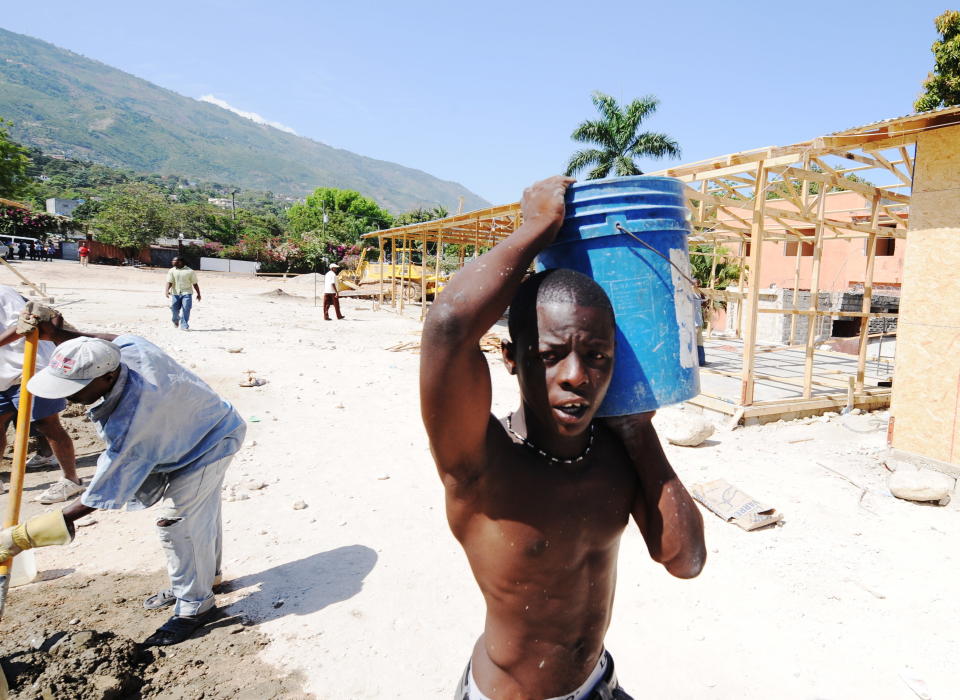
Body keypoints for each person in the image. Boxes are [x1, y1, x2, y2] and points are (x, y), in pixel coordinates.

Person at [420, 176, 706, 700]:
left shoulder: (615, 453)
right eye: (552, 356)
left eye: (597, 356)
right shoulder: (481, 463)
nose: (577, 375)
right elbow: (449, 325)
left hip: (599, 682)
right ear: (511, 358)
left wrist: (640, 433)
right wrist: (537, 228)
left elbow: (685, 561)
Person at [0, 305, 245, 646]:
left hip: (208, 443)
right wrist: (57, 334)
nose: (69, 397)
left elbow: (101, 492)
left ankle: (195, 606)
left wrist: (25, 536)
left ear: (107, 377)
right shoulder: (130, 352)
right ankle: (207, 578)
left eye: (76, 387)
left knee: (176, 524)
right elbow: (112, 341)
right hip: (195, 423)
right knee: (201, 516)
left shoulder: (135, 420)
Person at [0, 286, 83, 503]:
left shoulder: (3, 294)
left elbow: (27, 324)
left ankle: (71, 480)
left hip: (28, 369)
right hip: (1, 376)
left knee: (48, 425)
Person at [165, 257, 201, 331]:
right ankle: (176, 320)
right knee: (174, 309)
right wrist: (166, 291)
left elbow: (195, 283)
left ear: (180, 262)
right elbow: (169, 282)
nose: (172, 261)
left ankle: (184, 325)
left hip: (187, 293)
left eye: (174, 260)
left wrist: (198, 294)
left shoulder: (190, 271)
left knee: (186, 308)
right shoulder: (171, 271)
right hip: (175, 293)